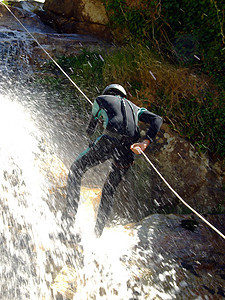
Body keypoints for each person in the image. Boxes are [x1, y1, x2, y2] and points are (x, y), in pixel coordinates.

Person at [66, 84, 163, 237]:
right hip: (129, 149)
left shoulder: (100, 99)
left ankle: (69, 221)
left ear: (107, 93)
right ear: (123, 96)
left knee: (75, 170)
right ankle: (97, 234)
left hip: (109, 141)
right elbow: (157, 119)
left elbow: (90, 130)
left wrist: (91, 141)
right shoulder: (136, 108)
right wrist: (145, 143)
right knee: (109, 189)